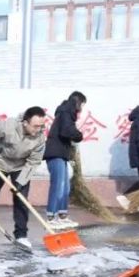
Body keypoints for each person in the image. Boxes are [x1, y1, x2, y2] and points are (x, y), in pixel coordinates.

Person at [0, 107, 48, 250]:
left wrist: (21, 181)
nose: (39, 129)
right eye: (35, 126)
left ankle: (21, 235)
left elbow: (34, 161)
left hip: (21, 167)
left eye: (41, 126)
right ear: (25, 123)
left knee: (21, 200)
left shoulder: (40, 138)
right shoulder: (8, 125)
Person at [43, 91, 86, 229]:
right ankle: (51, 217)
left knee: (65, 186)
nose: (82, 109)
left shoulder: (66, 113)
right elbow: (67, 131)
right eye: (82, 104)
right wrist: (79, 135)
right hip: (55, 153)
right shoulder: (66, 112)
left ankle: (62, 215)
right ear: (77, 102)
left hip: (61, 154)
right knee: (58, 185)